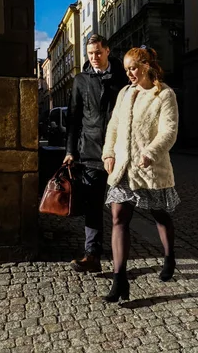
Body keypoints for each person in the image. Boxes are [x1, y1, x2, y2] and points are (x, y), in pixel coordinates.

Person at [101, 45, 180, 303]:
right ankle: (119, 279)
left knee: (159, 215)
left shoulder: (164, 94)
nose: (129, 74)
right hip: (123, 167)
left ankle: (169, 256)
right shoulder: (125, 92)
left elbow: (169, 131)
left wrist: (151, 152)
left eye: (133, 68)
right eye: (126, 70)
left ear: (146, 65)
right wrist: (109, 153)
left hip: (150, 168)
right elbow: (113, 125)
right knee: (118, 217)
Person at [64, 34, 128, 273]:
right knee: (92, 205)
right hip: (90, 152)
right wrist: (70, 150)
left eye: (98, 53)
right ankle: (92, 256)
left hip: (119, 152)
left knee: (121, 207)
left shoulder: (121, 77)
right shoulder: (81, 80)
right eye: (90, 54)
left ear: (107, 51)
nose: (94, 58)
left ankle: (122, 253)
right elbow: (73, 117)